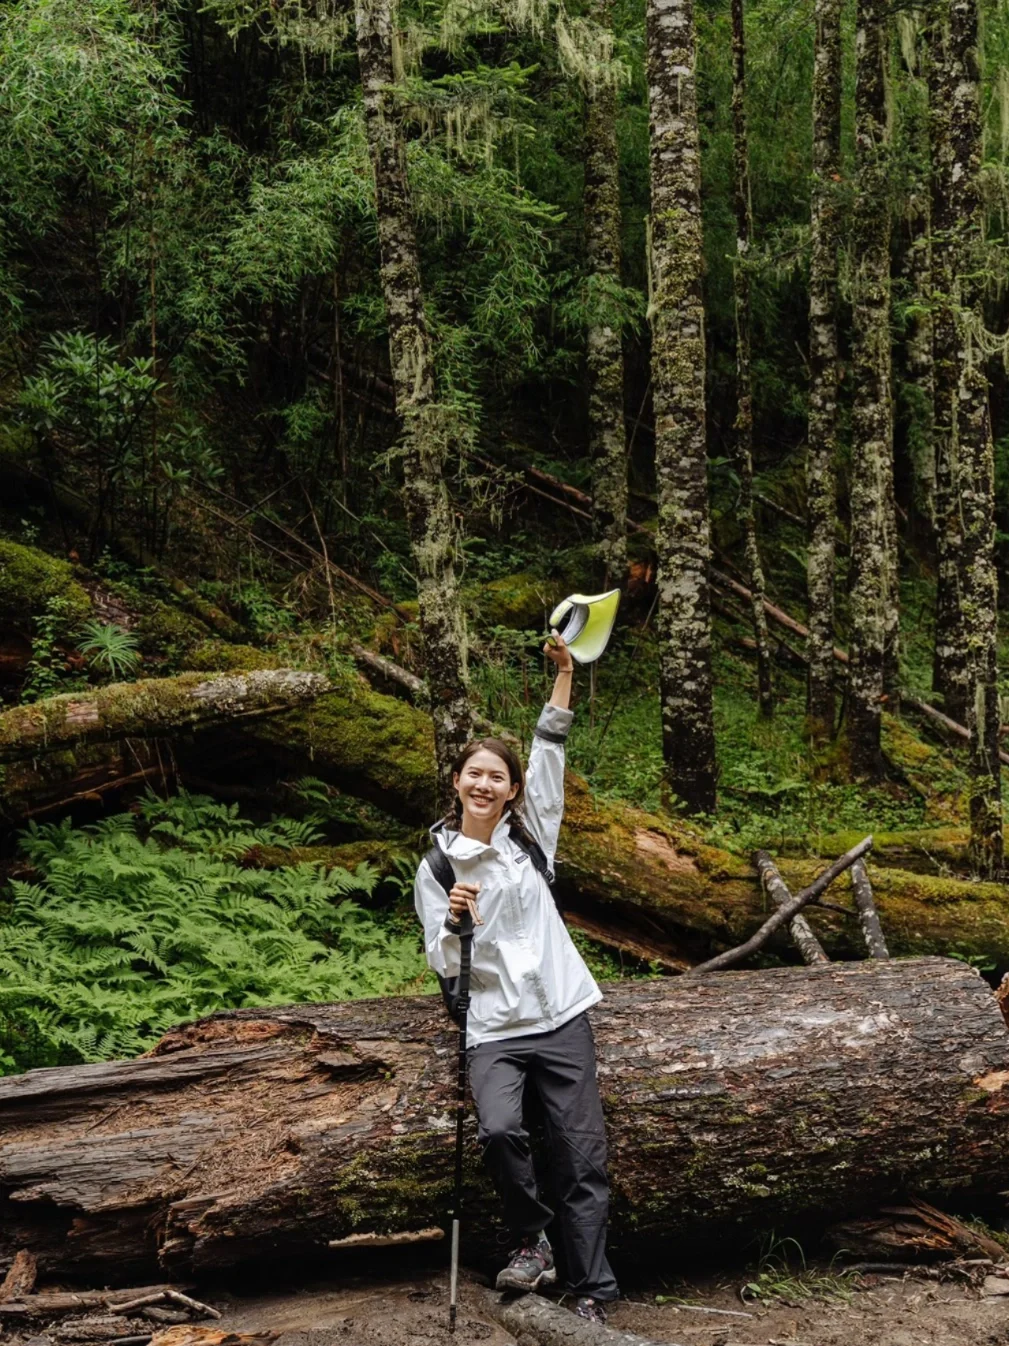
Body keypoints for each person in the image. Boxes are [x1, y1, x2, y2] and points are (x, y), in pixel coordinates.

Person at [414, 631, 619, 1325]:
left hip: (561, 1015)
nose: (483, 783)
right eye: (473, 773)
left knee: (579, 1154)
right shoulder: (437, 868)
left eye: (496, 777)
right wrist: (452, 923)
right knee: (500, 1132)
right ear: (456, 781)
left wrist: (563, 675)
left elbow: (549, 749)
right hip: (492, 1027)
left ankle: (592, 1290)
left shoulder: (531, 839)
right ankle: (531, 1240)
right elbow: (441, 964)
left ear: (510, 792)